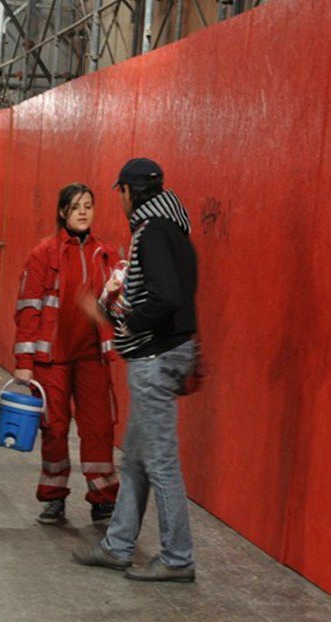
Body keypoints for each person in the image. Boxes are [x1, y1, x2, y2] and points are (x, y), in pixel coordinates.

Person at [72, 158, 199, 582]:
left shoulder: (153, 233)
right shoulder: (174, 227)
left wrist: (121, 318)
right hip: (167, 351)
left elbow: (166, 298)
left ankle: (178, 558)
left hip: (153, 357)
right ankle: (118, 545)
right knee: (137, 461)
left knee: (159, 461)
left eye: (119, 193)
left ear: (128, 191)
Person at [13, 183, 121, 526]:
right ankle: (53, 497)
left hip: (92, 357)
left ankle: (103, 497)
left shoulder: (106, 254)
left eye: (89, 205)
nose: (83, 212)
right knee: (55, 428)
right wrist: (24, 363)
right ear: (62, 212)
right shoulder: (43, 253)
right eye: (76, 207)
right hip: (52, 359)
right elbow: (28, 309)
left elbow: (119, 307)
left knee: (98, 428)